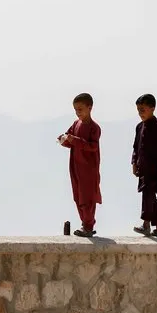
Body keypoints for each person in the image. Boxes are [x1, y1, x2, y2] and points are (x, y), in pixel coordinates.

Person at [58, 93, 102, 237]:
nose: (78, 113)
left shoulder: (94, 128)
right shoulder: (76, 124)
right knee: (78, 196)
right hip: (75, 166)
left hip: (88, 169)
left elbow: (92, 146)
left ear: (90, 108)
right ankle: (84, 223)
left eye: (80, 109)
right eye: (76, 110)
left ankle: (88, 226)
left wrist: (74, 140)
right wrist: (64, 140)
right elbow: (70, 140)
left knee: (87, 197)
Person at [131, 94, 157, 237]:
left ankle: (146, 224)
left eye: (143, 109)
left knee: (149, 195)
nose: (140, 113)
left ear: (152, 108)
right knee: (149, 196)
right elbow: (136, 147)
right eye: (138, 110)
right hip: (143, 167)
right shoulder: (139, 127)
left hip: (155, 168)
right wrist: (134, 163)